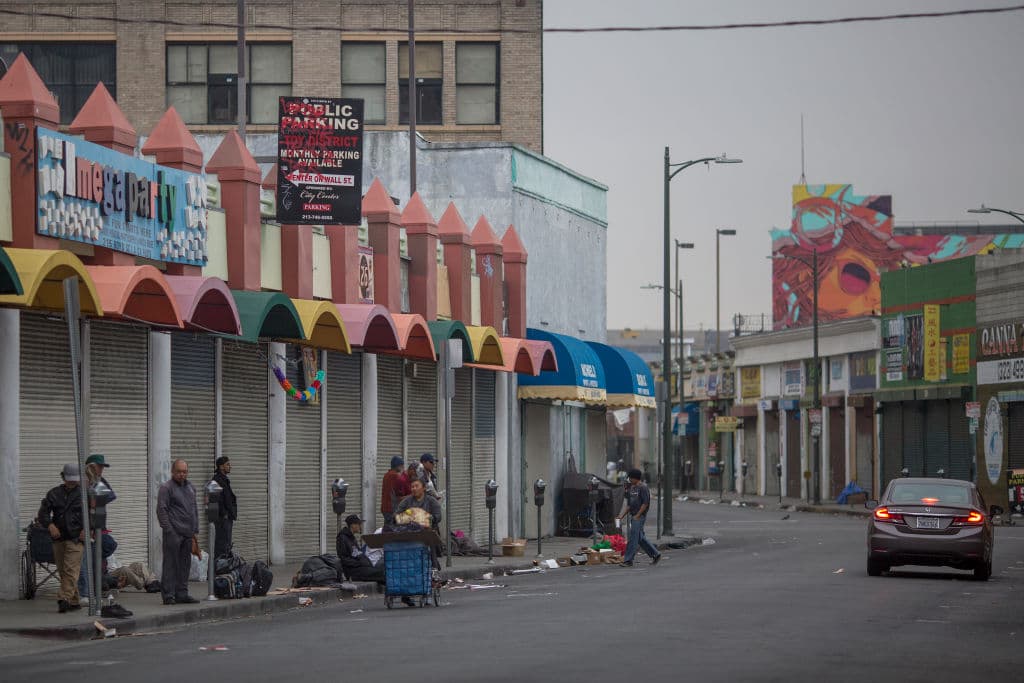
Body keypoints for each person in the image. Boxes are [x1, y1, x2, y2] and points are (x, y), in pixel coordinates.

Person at [37, 464, 86, 613]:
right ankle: (74, 600)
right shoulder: (54, 493)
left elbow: (92, 514)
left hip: (76, 538)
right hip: (58, 538)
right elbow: (43, 513)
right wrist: (50, 525)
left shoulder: (84, 494)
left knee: (71, 569)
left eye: (74, 480)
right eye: (69, 479)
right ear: (63, 477)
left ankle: (63, 598)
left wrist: (87, 529)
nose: (72, 482)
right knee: (63, 571)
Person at [156, 459, 200, 605]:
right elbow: (161, 510)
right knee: (170, 564)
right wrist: (169, 530)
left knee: (184, 565)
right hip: (173, 533)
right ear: (173, 472)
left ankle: (182, 593)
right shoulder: (166, 488)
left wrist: (195, 531)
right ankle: (169, 595)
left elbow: (194, 510)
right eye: (179, 471)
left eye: (184, 471)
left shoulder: (191, 488)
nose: (182, 474)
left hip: (187, 534)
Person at [79, 454, 118, 601]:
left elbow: (109, 496)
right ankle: (85, 593)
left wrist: (98, 481)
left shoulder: (98, 482)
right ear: (92, 467)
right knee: (86, 561)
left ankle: (94, 589)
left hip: (98, 528)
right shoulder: (84, 483)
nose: (102, 470)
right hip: (88, 529)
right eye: (99, 467)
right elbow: (90, 506)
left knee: (104, 550)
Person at [616, 468, 661, 568]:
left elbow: (645, 504)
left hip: (639, 517)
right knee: (640, 538)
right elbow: (629, 505)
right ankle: (655, 554)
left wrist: (637, 515)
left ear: (636, 478)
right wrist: (621, 515)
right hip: (634, 516)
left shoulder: (643, 488)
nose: (630, 480)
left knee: (633, 538)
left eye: (631, 478)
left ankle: (628, 560)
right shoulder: (632, 488)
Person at [395, 479, 443, 571]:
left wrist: (426, 518)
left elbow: (438, 516)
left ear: (423, 488)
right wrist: (406, 517)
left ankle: (434, 567)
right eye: (412, 487)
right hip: (410, 531)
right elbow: (396, 516)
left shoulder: (431, 501)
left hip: (427, 532)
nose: (414, 489)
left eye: (417, 486)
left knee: (429, 537)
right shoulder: (407, 501)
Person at [335, 514, 386, 584]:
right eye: (359, 524)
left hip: (360, 568)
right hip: (353, 572)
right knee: (381, 573)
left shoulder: (352, 538)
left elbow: (357, 553)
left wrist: (365, 562)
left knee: (383, 571)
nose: (360, 527)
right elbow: (343, 559)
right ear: (353, 525)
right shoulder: (342, 538)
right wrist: (359, 563)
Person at [212, 456, 237, 560]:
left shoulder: (224, 480)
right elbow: (214, 500)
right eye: (227, 464)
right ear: (221, 467)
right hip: (223, 519)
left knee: (226, 544)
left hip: (227, 517)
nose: (229, 466)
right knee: (222, 544)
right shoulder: (216, 480)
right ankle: (219, 568)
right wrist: (224, 514)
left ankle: (224, 567)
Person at [380, 455, 409, 525]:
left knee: (387, 531)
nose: (403, 467)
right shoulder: (396, 476)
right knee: (394, 532)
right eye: (402, 465)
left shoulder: (386, 475)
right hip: (392, 509)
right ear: (398, 466)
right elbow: (399, 497)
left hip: (385, 509)